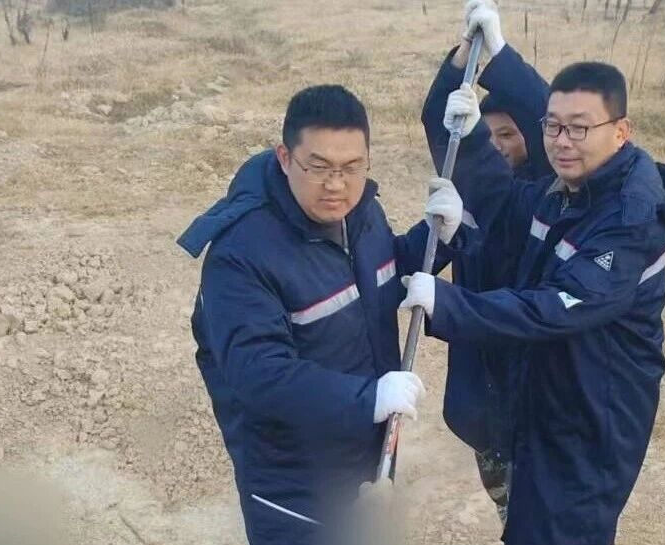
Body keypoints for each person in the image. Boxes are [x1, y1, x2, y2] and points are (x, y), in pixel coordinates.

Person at [404, 3, 665, 542]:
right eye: (553, 127)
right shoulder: (569, 189)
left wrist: (448, 304)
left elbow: (557, 307)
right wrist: (475, 84)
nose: (561, 141)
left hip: (591, 421)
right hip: (547, 401)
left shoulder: (627, 218)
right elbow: (505, 201)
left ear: (621, 131)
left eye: (580, 128)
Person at [176, 84, 470, 545]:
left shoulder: (361, 214)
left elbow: (376, 275)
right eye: (319, 167)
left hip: (366, 452)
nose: (336, 185)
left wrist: (438, 237)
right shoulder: (241, 256)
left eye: (352, 167)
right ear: (285, 158)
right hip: (296, 486)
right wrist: (368, 399)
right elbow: (258, 374)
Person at [418, 0, 554, 523]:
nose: (495, 146)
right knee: (509, 511)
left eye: (509, 135)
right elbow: (442, 127)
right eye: (487, 134)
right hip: (483, 393)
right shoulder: (477, 184)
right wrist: (463, 61)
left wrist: (500, 56)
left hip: (534, 397)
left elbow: (547, 117)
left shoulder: (551, 196)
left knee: (537, 519)